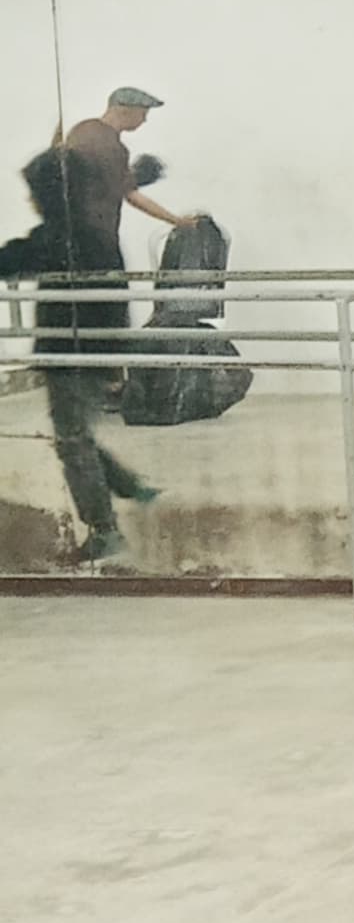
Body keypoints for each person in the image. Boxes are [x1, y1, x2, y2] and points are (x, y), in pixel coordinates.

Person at [22, 85, 185, 566]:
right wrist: (173, 216)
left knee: (71, 431)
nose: (145, 121)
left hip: (76, 310)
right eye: (143, 113)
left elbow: (115, 190)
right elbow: (121, 192)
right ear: (125, 109)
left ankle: (107, 523)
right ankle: (125, 492)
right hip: (87, 289)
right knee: (73, 429)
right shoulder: (98, 141)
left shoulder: (95, 147)